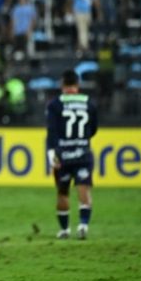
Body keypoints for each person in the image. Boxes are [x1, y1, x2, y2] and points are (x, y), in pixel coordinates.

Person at [46, 70, 99, 240]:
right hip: (83, 152)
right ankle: (83, 225)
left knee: (63, 192)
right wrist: (81, 141)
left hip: (63, 155)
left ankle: (64, 230)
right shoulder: (89, 103)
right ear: (77, 85)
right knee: (83, 187)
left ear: (62, 85)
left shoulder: (55, 104)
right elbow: (94, 128)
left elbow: (52, 131)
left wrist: (53, 152)